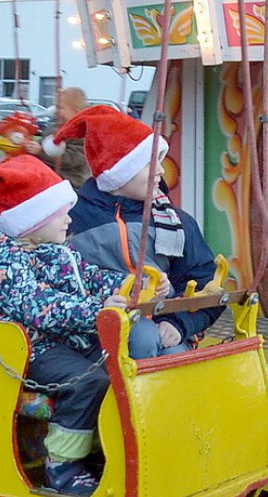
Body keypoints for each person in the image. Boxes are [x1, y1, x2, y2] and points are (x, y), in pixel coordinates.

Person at [0, 155, 130, 497]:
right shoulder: (2, 258)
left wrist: (128, 285)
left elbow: (89, 277)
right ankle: (63, 465)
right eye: (60, 212)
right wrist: (97, 311)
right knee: (88, 380)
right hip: (27, 349)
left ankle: (102, 451)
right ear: (31, 219)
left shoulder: (52, 248)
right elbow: (34, 306)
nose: (69, 219)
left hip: (60, 341)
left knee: (124, 366)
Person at [46, 105, 221, 356]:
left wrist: (181, 323)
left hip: (165, 326)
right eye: (149, 164)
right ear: (119, 174)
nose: (161, 171)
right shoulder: (72, 220)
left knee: (172, 353)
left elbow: (205, 281)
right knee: (142, 337)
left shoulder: (175, 221)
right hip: (94, 331)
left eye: (160, 161)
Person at [30, 86, 92, 191]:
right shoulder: (53, 128)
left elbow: (70, 159)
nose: (55, 111)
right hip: (48, 179)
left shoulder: (82, 134)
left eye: (60, 108)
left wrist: (40, 152)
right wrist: (30, 147)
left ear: (77, 111)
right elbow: (41, 145)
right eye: (56, 107)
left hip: (71, 185)